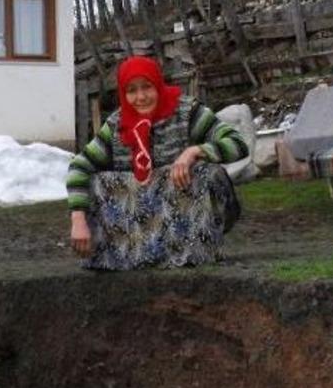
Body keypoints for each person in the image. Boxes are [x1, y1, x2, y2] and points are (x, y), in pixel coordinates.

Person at [66, 57, 248, 270]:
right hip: (141, 218)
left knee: (210, 174)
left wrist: (194, 152)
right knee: (96, 181)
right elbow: (79, 166)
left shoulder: (187, 113)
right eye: (131, 90)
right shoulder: (117, 125)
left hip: (185, 213)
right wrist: (78, 219)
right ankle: (124, 257)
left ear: (158, 85)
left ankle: (195, 252)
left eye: (147, 87)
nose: (140, 97)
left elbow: (237, 143)